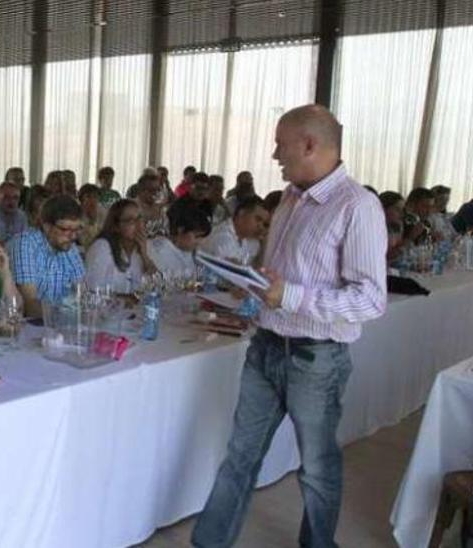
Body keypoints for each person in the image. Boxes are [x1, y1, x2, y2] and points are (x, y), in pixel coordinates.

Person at [191, 104, 387, 548]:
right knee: (240, 457)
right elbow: (280, 274)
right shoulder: (290, 199)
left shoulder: (358, 207)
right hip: (266, 345)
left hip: (315, 358)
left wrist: (291, 296)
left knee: (317, 467)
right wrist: (256, 285)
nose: (275, 155)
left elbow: (371, 300)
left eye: (281, 145)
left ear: (310, 145)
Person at [8, 195, 85, 319]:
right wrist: (69, 316)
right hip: (29, 327)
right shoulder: (25, 243)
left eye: (77, 229)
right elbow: (30, 306)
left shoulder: (69, 246)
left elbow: (83, 294)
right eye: (66, 229)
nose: (73, 236)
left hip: (59, 325)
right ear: (47, 226)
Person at [83, 199, 156, 293]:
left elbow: (159, 286)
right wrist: (126, 298)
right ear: (116, 227)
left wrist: (145, 257)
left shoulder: (143, 247)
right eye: (130, 221)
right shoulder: (102, 247)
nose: (139, 225)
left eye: (139, 218)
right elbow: (91, 290)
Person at [148, 197, 213, 275]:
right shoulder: (159, 251)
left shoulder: (192, 252)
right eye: (196, 236)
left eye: (201, 237)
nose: (199, 242)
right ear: (181, 230)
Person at [202, 196, 268, 266]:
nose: (261, 227)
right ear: (241, 213)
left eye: (264, 224)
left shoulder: (250, 241)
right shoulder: (222, 236)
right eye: (258, 219)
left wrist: (264, 244)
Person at [378, 191, 407, 261]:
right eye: (397, 209)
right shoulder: (376, 229)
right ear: (384, 209)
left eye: (402, 209)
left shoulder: (397, 225)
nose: (402, 213)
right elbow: (385, 257)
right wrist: (411, 237)